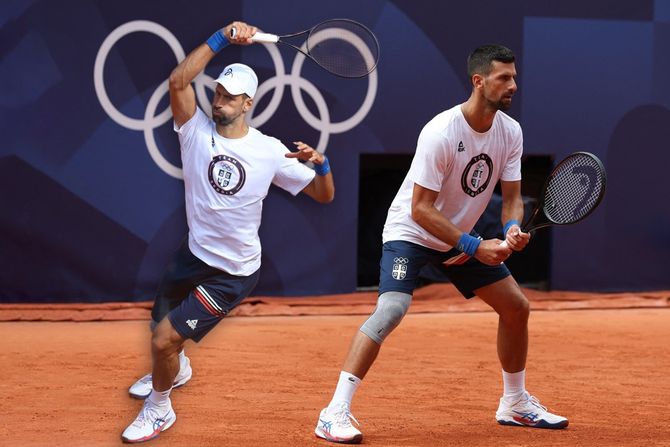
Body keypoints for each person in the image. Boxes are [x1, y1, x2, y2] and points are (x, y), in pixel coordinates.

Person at [314, 44, 568, 444]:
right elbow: (420, 209)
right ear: (479, 81)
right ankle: (334, 412)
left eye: (515, 77)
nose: (513, 85)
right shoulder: (441, 132)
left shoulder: (510, 131)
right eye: (504, 77)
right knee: (392, 308)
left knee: (517, 306)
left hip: (459, 237)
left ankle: (515, 402)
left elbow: (513, 196)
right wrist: (473, 245)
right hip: (412, 233)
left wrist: (513, 227)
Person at [121, 21, 335, 443]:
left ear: (248, 103)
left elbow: (323, 196)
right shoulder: (194, 130)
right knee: (158, 328)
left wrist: (322, 164)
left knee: (165, 340)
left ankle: (159, 409)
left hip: (231, 272)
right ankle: (177, 370)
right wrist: (222, 37)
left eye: (229, 97)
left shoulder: (269, 151)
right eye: (217, 93)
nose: (219, 101)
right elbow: (179, 79)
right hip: (193, 253)